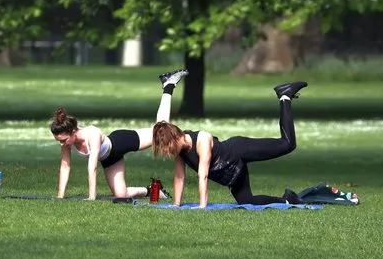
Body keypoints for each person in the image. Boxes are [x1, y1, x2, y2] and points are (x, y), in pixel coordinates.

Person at [152, 81, 309, 208]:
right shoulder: (180, 151)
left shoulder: (202, 140)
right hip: (232, 173)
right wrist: (176, 204)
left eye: (168, 147)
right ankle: (288, 200)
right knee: (247, 201)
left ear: (175, 137)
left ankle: (285, 96)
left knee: (287, 144)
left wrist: (202, 206)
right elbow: (179, 177)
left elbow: (203, 176)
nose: (168, 153)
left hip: (240, 150)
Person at [50, 69, 189, 200]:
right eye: (59, 141)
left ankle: (168, 84)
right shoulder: (67, 142)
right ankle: (155, 190)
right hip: (109, 159)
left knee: (161, 130)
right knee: (121, 195)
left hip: (120, 142)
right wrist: (60, 196)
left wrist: (92, 197)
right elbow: (65, 167)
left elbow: (92, 167)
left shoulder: (91, 134)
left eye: (63, 140)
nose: (62, 144)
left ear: (73, 131)